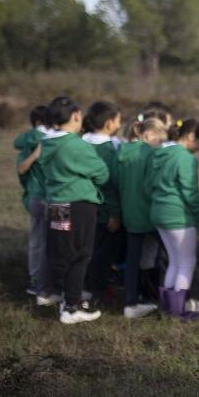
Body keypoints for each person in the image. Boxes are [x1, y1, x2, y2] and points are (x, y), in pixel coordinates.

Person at [38, 96, 109, 324]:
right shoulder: (75, 144)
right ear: (77, 116)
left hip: (57, 204)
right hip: (79, 205)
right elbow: (102, 172)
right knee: (80, 254)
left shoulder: (47, 142)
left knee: (63, 254)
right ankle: (72, 307)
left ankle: (66, 299)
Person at [148, 118, 199, 320]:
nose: (198, 148)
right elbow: (189, 191)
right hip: (178, 215)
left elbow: (147, 183)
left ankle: (168, 308)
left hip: (158, 212)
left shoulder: (158, 153)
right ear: (191, 137)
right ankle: (178, 310)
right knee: (186, 263)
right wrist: (197, 214)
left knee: (174, 261)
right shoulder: (184, 158)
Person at [116, 111, 170, 319]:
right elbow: (153, 185)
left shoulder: (120, 152)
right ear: (148, 137)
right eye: (160, 140)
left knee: (134, 259)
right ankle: (170, 297)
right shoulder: (150, 155)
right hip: (149, 214)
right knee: (173, 256)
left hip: (129, 213)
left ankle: (132, 301)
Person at [81, 101, 124, 301]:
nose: (119, 124)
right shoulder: (107, 150)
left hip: (83, 207)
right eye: (118, 121)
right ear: (109, 124)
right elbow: (110, 184)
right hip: (104, 212)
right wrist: (115, 213)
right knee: (102, 253)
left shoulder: (81, 143)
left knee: (86, 250)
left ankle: (85, 286)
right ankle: (95, 290)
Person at [14, 104, 54, 304]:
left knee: (37, 240)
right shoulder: (52, 141)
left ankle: (35, 279)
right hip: (52, 197)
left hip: (34, 197)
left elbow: (21, 170)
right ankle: (47, 283)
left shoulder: (26, 143)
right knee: (52, 241)